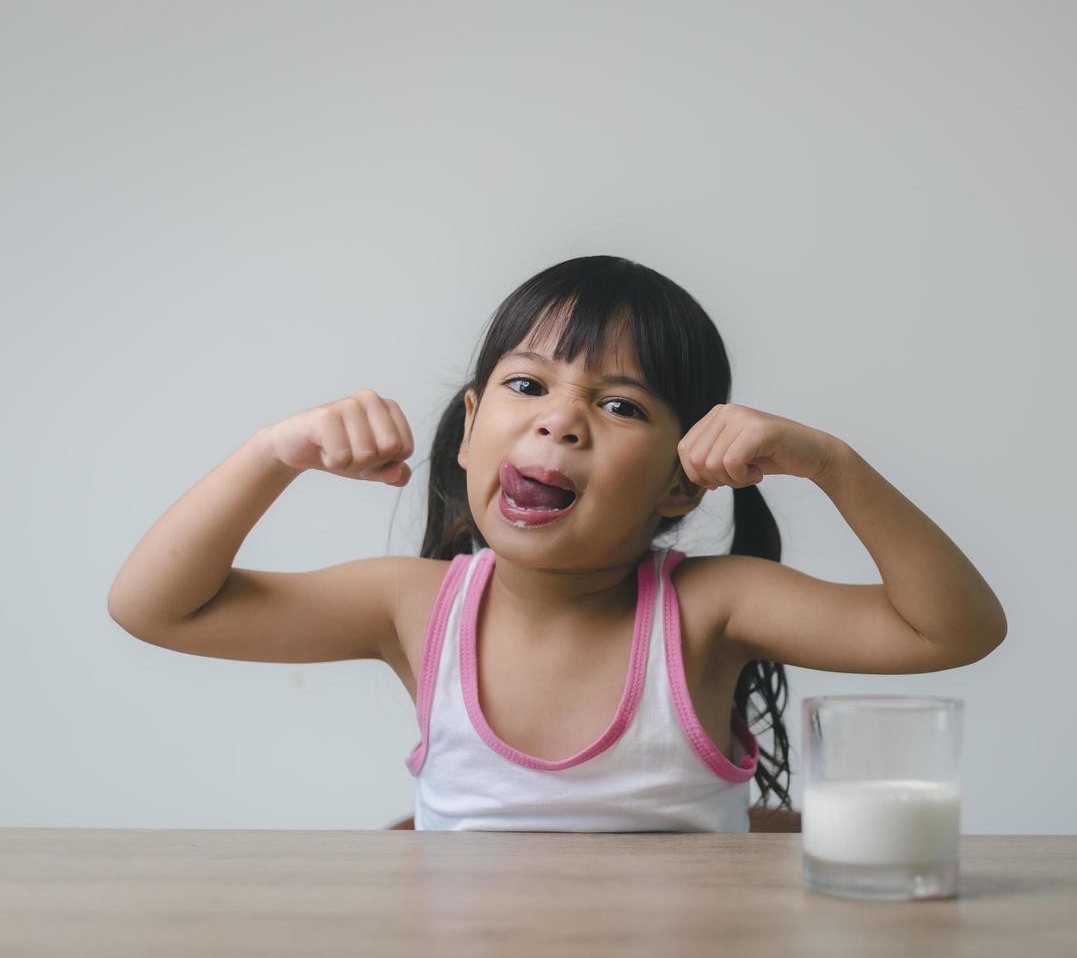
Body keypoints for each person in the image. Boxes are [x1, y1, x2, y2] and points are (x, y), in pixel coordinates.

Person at [108, 255, 1007, 833]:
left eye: (621, 405)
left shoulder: (709, 608)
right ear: (469, 431)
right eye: (527, 384)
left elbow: (952, 631)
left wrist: (833, 464)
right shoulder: (414, 606)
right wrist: (276, 454)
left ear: (679, 480)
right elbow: (154, 607)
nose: (562, 421)